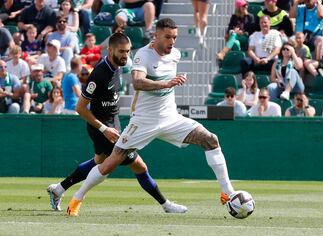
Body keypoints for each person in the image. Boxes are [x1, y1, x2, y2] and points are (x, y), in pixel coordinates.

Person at [66, 18, 236, 216]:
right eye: (167, 37)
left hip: (171, 117)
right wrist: (166, 84)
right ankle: (77, 198)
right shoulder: (143, 55)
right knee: (108, 164)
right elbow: (137, 82)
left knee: (211, 139)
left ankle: (228, 192)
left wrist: (170, 84)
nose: (172, 42)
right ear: (156, 36)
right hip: (143, 121)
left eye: (174, 37)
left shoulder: (175, 54)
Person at [48, 31, 187, 214]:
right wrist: (104, 129)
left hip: (113, 123)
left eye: (128, 51)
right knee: (139, 165)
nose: (125, 55)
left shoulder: (120, 65)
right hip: (102, 127)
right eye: (122, 51)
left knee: (99, 161)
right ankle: (165, 205)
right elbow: (81, 108)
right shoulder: (99, 74)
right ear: (110, 50)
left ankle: (59, 189)